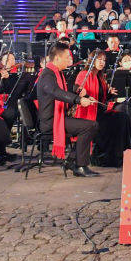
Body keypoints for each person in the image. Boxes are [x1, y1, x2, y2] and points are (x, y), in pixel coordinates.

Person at [36, 42, 98, 176]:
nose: (69, 60)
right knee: (89, 126)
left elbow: (65, 90)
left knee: (90, 125)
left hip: (57, 118)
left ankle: (73, 161)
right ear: (57, 58)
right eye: (67, 57)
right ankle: (79, 165)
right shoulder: (47, 75)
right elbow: (56, 92)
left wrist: (78, 92)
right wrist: (79, 100)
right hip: (49, 122)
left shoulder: (56, 73)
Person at [74, 51, 129, 167]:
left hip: (99, 112)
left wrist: (109, 94)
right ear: (91, 60)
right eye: (99, 59)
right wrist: (85, 95)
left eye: (103, 60)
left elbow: (102, 99)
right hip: (89, 114)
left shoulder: (100, 77)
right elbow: (78, 91)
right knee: (117, 120)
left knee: (123, 117)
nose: (102, 62)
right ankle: (104, 156)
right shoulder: (84, 74)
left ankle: (119, 155)